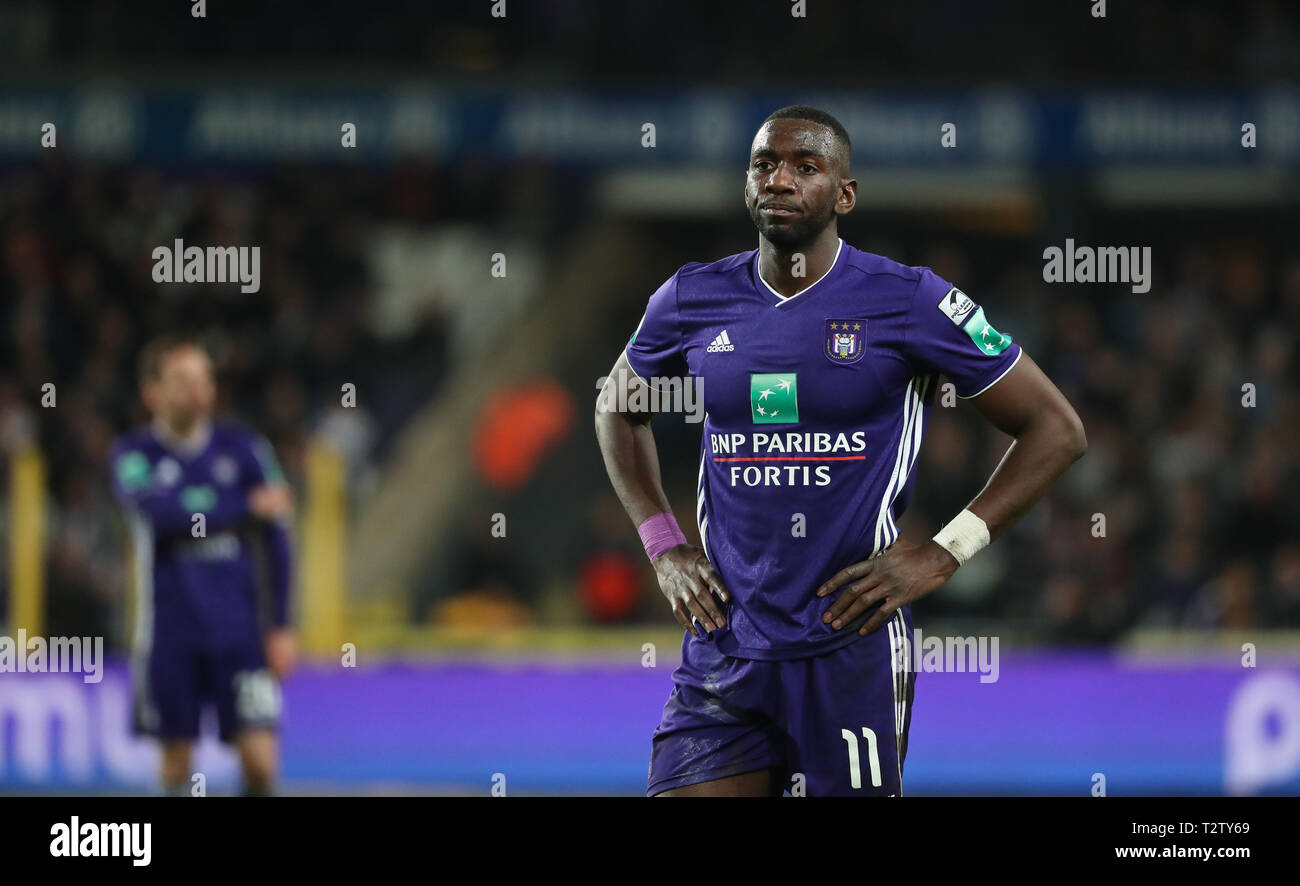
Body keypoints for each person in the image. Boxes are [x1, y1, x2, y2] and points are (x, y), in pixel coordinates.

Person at [595, 106, 1086, 796]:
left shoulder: (910, 300)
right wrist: (661, 543)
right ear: (745, 186)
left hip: (849, 647)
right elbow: (616, 407)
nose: (780, 179)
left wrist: (946, 552)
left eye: (806, 166)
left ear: (844, 195)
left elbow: (1056, 429)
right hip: (725, 645)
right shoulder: (690, 298)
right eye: (765, 164)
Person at [108, 335, 297, 796]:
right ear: (151, 392)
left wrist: (283, 625)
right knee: (176, 763)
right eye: (182, 380)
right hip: (170, 633)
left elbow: (279, 539)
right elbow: (163, 517)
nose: (197, 390)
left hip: (242, 632)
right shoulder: (134, 456)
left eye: (204, 379)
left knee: (260, 760)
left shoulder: (246, 448)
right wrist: (244, 507)